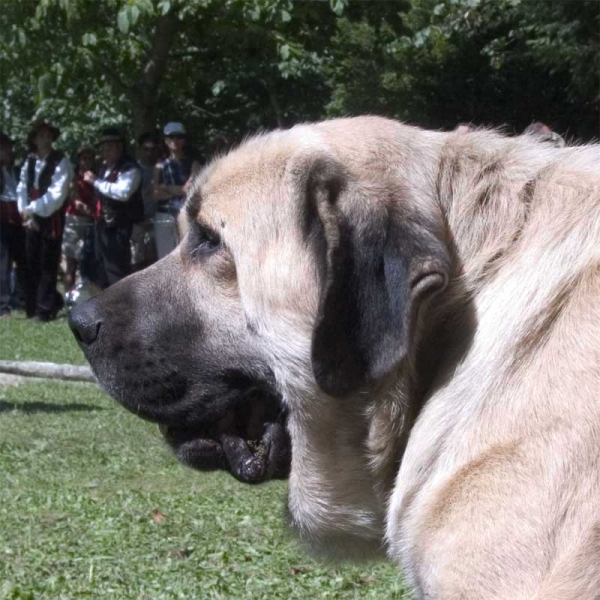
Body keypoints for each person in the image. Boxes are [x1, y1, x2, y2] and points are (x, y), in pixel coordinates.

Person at [17, 120, 73, 321]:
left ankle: (45, 310)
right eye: (40, 135)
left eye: (48, 135)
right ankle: (45, 303)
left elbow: (56, 196)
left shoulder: (60, 161)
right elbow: (22, 188)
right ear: (34, 139)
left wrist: (31, 209)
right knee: (32, 262)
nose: (44, 139)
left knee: (48, 263)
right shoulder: (29, 161)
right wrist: (25, 213)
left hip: (51, 219)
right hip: (32, 218)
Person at [85, 127, 143, 289]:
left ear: (119, 147)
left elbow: (122, 192)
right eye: (103, 147)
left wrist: (96, 181)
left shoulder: (130, 168)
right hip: (102, 224)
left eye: (109, 146)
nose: (105, 150)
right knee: (100, 266)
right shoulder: (104, 168)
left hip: (121, 225)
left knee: (117, 268)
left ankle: (121, 308)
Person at [153, 122, 200, 258]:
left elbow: (189, 190)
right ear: (166, 140)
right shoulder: (159, 166)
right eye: (171, 137)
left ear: (184, 139)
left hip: (186, 215)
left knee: (188, 256)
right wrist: (180, 189)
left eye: (179, 137)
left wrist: (164, 187)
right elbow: (155, 194)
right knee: (165, 256)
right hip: (164, 216)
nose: (175, 140)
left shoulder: (194, 163)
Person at [0, 132, 29, 318]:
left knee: (24, 262)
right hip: (2, 224)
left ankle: (26, 301)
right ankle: (3, 307)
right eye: (4, 148)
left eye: (9, 148)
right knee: (3, 265)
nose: (9, 151)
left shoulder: (18, 171)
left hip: (19, 224)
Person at [62, 147, 98, 292]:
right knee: (71, 264)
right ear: (79, 160)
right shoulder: (74, 177)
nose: (87, 161)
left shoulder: (97, 177)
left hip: (92, 222)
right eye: (84, 158)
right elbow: (75, 200)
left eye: (90, 158)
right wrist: (91, 211)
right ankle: (68, 300)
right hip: (74, 221)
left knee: (89, 264)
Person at [131, 132, 159, 271]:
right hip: (138, 222)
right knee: (137, 260)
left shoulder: (161, 168)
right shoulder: (133, 169)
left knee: (156, 260)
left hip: (158, 220)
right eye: (146, 149)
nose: (149, 153)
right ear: (140, 149)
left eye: (152, 149)